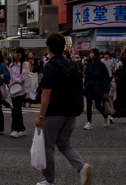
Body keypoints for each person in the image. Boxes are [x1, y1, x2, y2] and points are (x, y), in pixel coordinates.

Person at [35, 33, 92, 185]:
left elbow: (47, 92)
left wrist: (41, 116)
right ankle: (81, 167)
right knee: (64, 143)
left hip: (54, 113)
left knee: (48, 147)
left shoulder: (51, 67)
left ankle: (50, 181)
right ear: (63, 48)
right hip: (71, 111)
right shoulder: (71, 65)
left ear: (48, 48)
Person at [82, 49, 110, 130]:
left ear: (96, 54)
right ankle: (89, 122)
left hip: (98, 86)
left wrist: (105, 90)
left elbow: (105, 78)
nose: (91, 55)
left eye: (92, 53)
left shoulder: (101, 65)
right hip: (89, 86)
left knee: (98, 105)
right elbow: (86, 76)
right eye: (90, 53)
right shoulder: (88, 64)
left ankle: (106, 116)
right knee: (88, 104)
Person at [8, 47, 30, 138]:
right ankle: (22, 129)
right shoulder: (11, 65)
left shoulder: (25, 64)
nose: (16, 55)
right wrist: (9, 85)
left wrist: (14, 82)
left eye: (18, 53)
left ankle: (14, 129)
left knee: (16, 109)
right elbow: (10, 76)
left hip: (21, 90)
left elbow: (24, 76)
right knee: (17, 109)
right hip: (13, 90)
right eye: (15, 53)